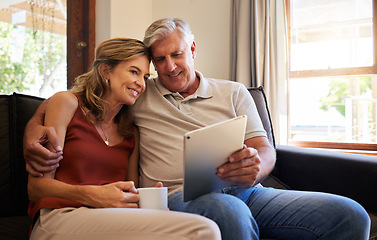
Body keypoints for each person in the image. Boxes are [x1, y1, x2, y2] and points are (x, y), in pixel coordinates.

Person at [24, 19, 371, 240]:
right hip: (179, 198)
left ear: (192, 49)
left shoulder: (233, 92)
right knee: (227, 213)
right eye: (158, 61)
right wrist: (32, 128)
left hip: (250, 192)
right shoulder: (140, 96)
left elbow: (264, 149)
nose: (168, 67)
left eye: (175, 54)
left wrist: (256, 165)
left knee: (350, 216)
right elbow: (73, 101)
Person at [26, 37, 221, 240]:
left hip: (110, 219)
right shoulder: (66, 103)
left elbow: (130, 193)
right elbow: (36, 188)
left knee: (191, 230)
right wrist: (93, 195)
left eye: (145, 77)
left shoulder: (130, 132)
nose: (141, 84)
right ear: (105, 71)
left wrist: (152, 204)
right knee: (204, 230)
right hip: (59, 217)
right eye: (133, 72)